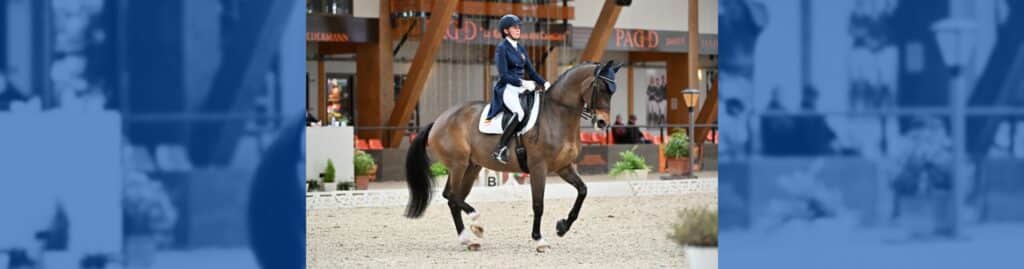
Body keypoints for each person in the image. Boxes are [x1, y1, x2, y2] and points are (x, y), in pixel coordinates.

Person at [487, 14, 550, 164]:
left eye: (518, 27)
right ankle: (500, 148)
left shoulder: (520, 48)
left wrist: (545, 83)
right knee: (519, 113)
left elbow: (532, 72)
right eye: (514, 27)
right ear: (506, 31)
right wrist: (523, 83)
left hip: (521, 88)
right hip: (507, 88)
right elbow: (503, 75)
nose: (518, 30)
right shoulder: (502, 48)